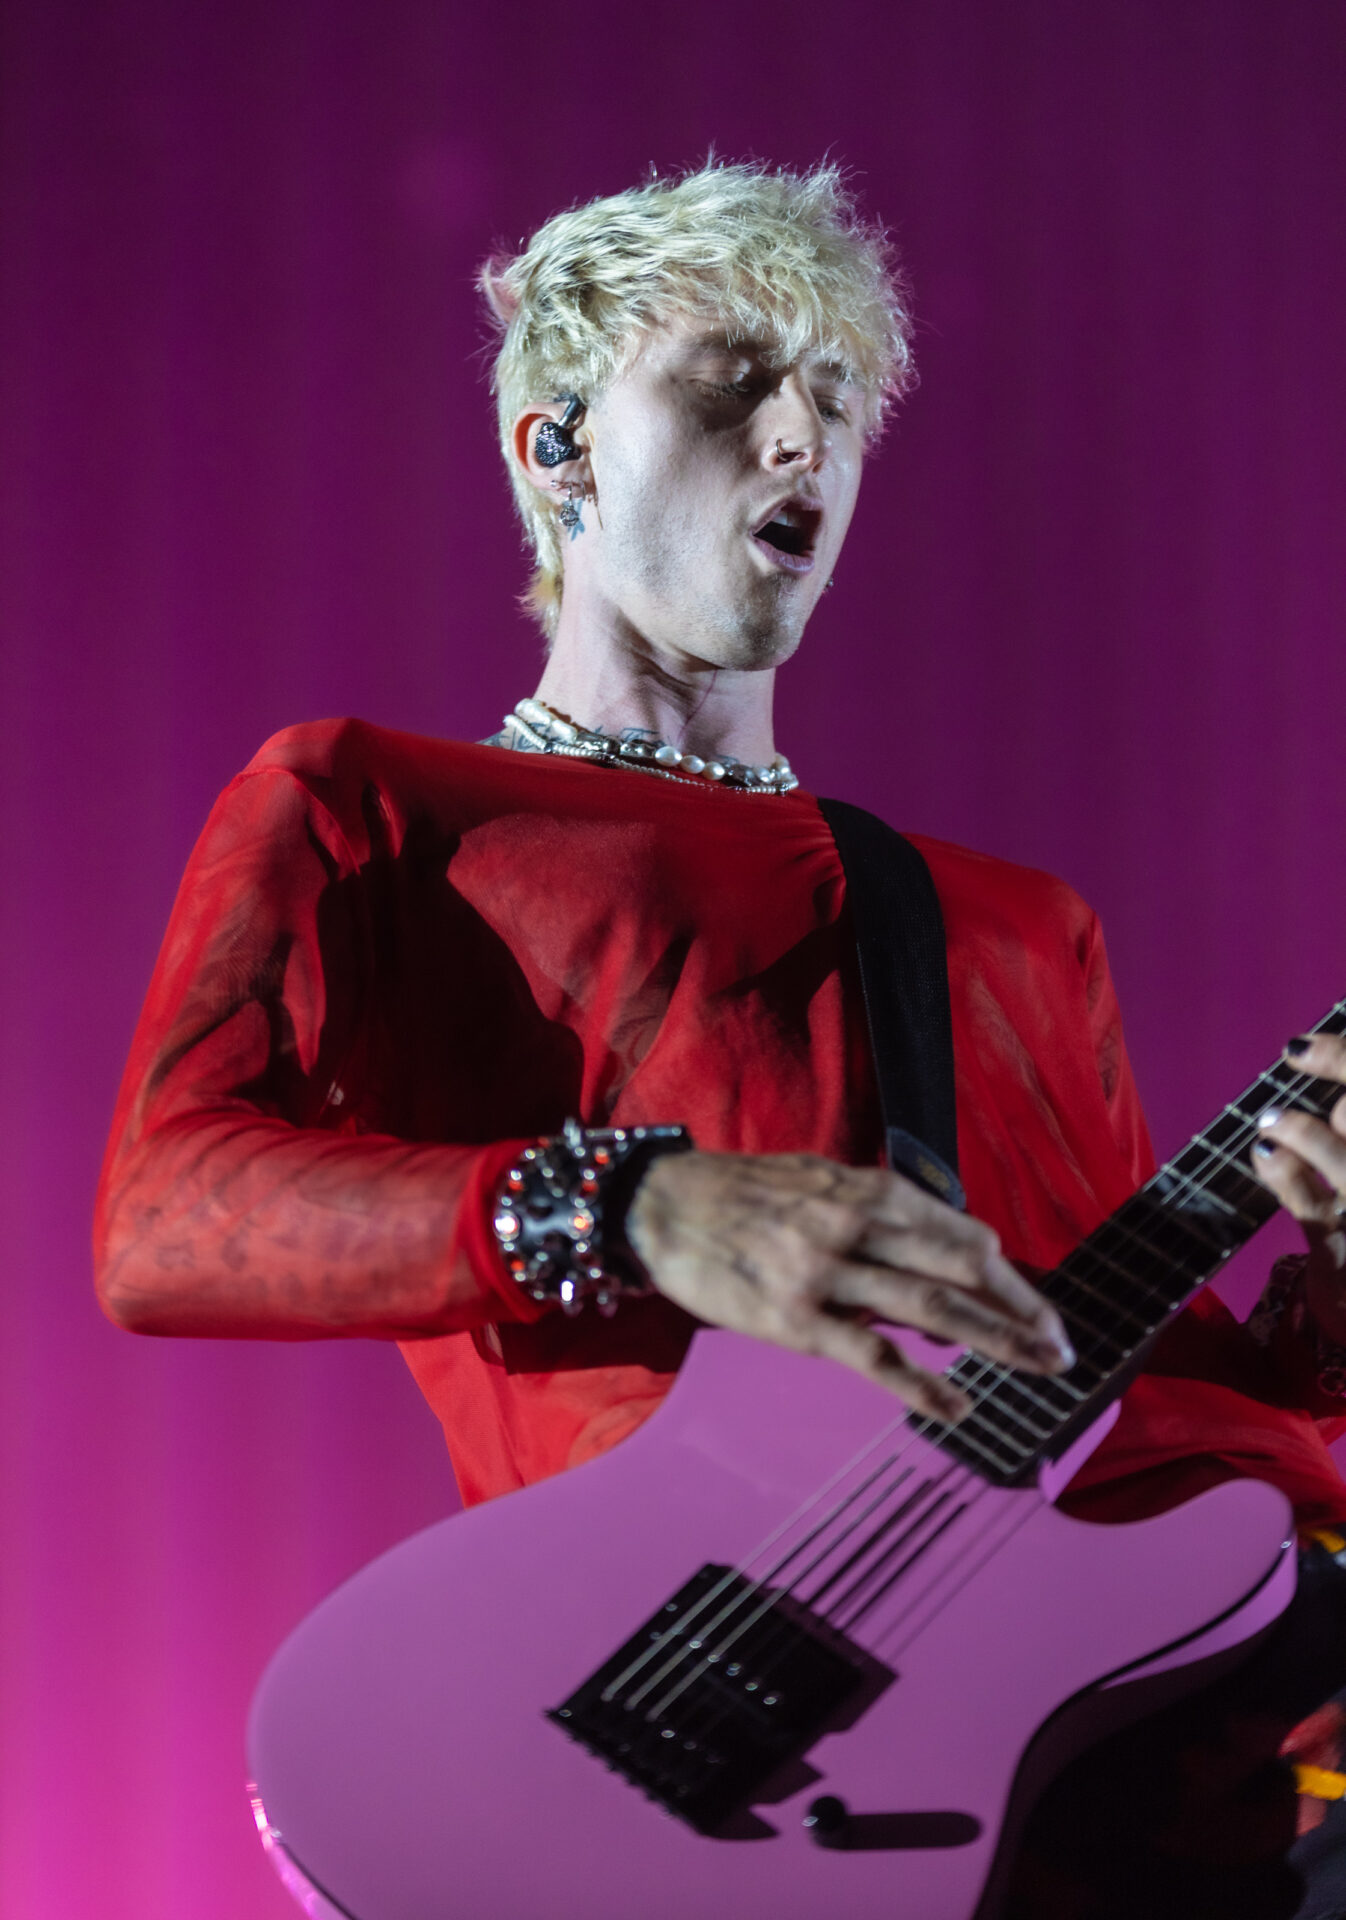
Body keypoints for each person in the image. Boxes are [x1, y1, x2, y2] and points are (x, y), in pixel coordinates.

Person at [94, 160, 1346, 1915]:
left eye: (833, 399)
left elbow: (1133, 1368)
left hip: (1213, 1669)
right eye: (730, 381)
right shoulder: (367, 803)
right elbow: (164, 1221)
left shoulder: (1017, 920)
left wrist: (1331, 1280)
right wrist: (635, 1205)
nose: (798, 436)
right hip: (743, 1714)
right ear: (557, 451)